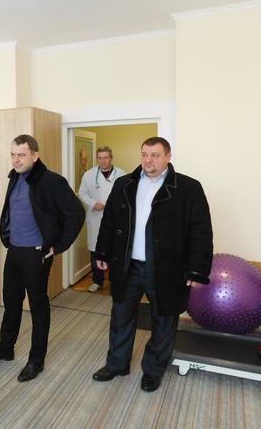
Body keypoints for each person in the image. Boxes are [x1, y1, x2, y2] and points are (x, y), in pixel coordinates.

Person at [92, 137, 213, 392]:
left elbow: (200, 231)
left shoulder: (188, 188)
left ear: (168, 156)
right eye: (144, 154)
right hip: (129, 266)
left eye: (155, 155)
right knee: (121, 315)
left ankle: (153, 370)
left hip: (167, 268)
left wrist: (197, 269)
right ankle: (117, 364)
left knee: (164, 319)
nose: (148, 160)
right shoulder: (125, 184)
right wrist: (102, 252)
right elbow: (110, 221)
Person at [0, 134, 85, 382]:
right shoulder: (14, 177)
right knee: (11, 302)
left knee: (37, 307)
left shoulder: (52, 181)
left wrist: (58, 246)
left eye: (21, 155)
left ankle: (36, 360)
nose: (16, 160)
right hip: (15, 251)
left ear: (35, 156)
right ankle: (5, 348)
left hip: (37, 254)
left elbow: (76, 213)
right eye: (13, 155)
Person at [77, 146, 125, 292]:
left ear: (111, 158)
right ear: (97, 158)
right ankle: (97, 281)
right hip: (96, 217)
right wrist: (93, 203)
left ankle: (114, 281)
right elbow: (82, 193)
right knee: (95, 250)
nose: (103, 161)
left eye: (106, 157)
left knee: (115, 250)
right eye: (100, 158)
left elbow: (126, 194)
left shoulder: (121, 174)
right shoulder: (89, 175)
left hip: (116, 218)